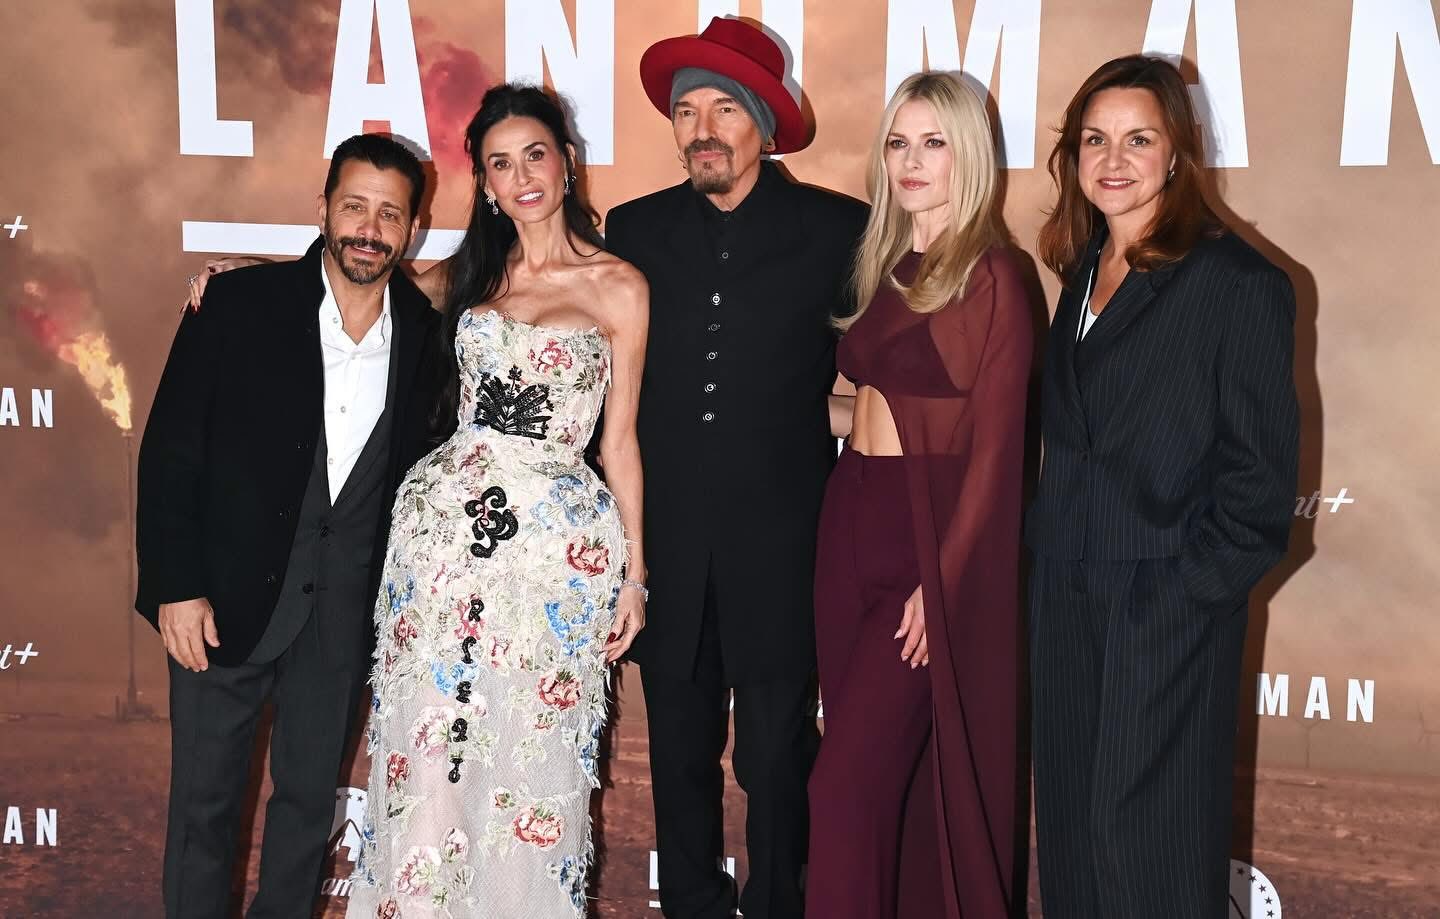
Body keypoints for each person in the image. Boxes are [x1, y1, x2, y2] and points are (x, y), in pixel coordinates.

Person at [343, 84, 648, 918]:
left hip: (555, 559)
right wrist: (238, 275)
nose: (522, 178)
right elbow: (359, 275)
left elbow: (618, 441)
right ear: (482, 182)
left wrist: (633, 576)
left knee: (529, 761)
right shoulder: (467, 276)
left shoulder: (620, 286)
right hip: (440, 546)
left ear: (568, 161)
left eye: (535, 155)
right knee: (430, 744)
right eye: (499, 164)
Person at [135, 133, 448, 918]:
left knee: (309, 813)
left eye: (389, 213)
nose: (368, 229)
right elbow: (172, 451)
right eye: (353, 206)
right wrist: (177, 586)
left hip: (340, 620)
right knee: (202, 813)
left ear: (412, 227)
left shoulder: (428, 335)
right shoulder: (239, 303)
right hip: (220, 608)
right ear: (322, 209)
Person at [603, 17, 868, 919]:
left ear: (763, 121)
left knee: (776, 763)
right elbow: (530, 284)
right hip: (665, 553)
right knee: (676, 762)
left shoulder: (841, 230)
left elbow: (896, 357)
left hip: (785, 551)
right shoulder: (631, 228)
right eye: (687, 110)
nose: (702, 128)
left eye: (724, 108)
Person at [1026, 55, 1299, 918]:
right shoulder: (1076, 274)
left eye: (1138, 138)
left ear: (1178, 153)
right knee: (1072, 851)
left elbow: (1258, 493)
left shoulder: (1239, 284)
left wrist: (1180, 603)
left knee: (1148, 862)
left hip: (1165, 612)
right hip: (1065, 605)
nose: (1114, 159)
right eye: (1094, 140)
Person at [805, 72, 1031, 919]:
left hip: (919, 541)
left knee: (844, 791)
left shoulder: (993, 277)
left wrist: (944, 582)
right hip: (848, 519)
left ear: (969, 153)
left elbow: (995, 450)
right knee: (874, 788)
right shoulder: (891, 263)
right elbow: (865, 402)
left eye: (933, 142)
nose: (911, 160)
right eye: (899, 141)